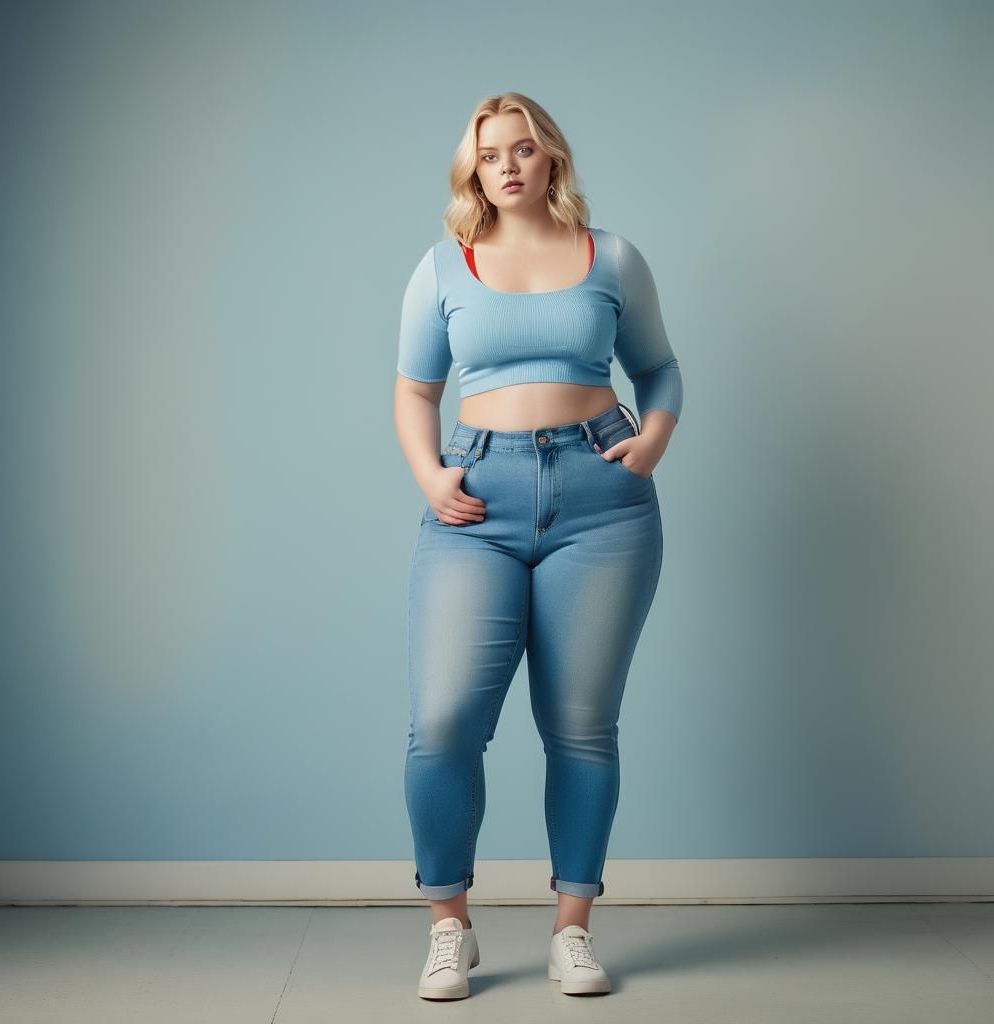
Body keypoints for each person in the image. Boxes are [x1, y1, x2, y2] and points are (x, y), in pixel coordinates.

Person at [393, 92, 683, 1000]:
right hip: (475, 500)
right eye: (489, 156)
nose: (508, 166)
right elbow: (413, 391)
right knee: (443, 724)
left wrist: (657, 435)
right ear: (472, 171)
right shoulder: (442, 267)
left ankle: (572, 930)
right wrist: (431, 478)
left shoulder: (614, 258)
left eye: (523, 149)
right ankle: (450, 926)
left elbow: (660, 368)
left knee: (582, 728)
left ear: (550, 158)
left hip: (603, 500)